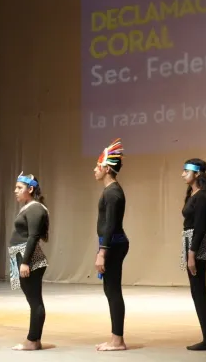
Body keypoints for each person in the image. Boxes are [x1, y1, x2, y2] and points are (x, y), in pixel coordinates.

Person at [93, 138, 128, 352]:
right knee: (110, 290)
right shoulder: (110, 191)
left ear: (107, 169)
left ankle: (118, 340)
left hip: (113, 244)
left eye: (97, 166)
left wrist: (102, 252)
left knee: (113, 291)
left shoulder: (113, 192)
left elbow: (111, 225)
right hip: (111, 244)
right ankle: (116, 337)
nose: (94, 170)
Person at [8, 172, 49, 351]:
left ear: (30, 189)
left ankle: (33, 340)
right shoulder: (28, 207)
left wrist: (25, 262)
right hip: (23, 256)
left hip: (29, 259)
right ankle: (34, 339)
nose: (15, 191)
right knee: (33, 299)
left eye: (19, 188)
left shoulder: (35, 208)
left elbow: (33, 236)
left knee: (35, 300)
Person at [181, 159, 206, 351]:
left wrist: (191, 254)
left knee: (198, 292)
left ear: (197, 174)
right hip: (191, 241)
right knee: (196, 292)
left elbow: (201, 226)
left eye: (186, 171)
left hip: (196, 244)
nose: (183, 174)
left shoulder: (202, 196)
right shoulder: (193, 194)